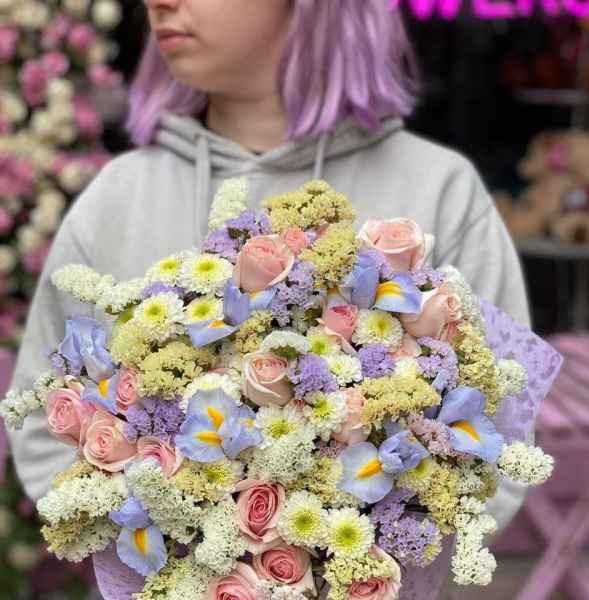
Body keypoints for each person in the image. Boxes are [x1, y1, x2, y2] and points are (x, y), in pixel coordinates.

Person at [8, 0, 529, 535]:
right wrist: (185, 562)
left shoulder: (439, 188)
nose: (158, 2)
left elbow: (503, 438)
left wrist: (342, 562)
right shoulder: (119, 195)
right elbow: (42, 429)